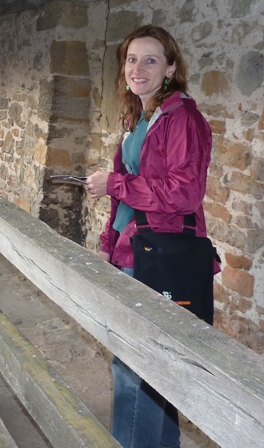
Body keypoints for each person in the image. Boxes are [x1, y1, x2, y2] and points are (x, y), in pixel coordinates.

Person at [85, 24, 213, 448]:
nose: (138, 68)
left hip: (160, 254)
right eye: (132, 59)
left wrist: (114, 184)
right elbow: (124, 195)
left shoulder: (183, 119)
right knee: (154, 370)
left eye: (151, 59)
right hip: (132, 251)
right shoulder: (141, 118)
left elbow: (184, 193)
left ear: (171, 68)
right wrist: (108, 245)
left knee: (134, 368)